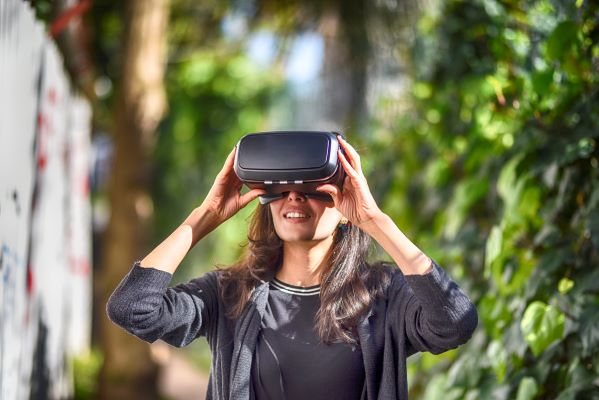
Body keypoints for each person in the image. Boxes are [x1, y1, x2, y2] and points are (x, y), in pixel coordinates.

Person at [106, 134, 478, 400]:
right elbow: (132, 308)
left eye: (314, 186)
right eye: (282, 188)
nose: (295, 196)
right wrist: (203, 218)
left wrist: (376, 220)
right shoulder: (229, 294)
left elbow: (455, 323)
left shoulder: (382, 295)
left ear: (345, 202)